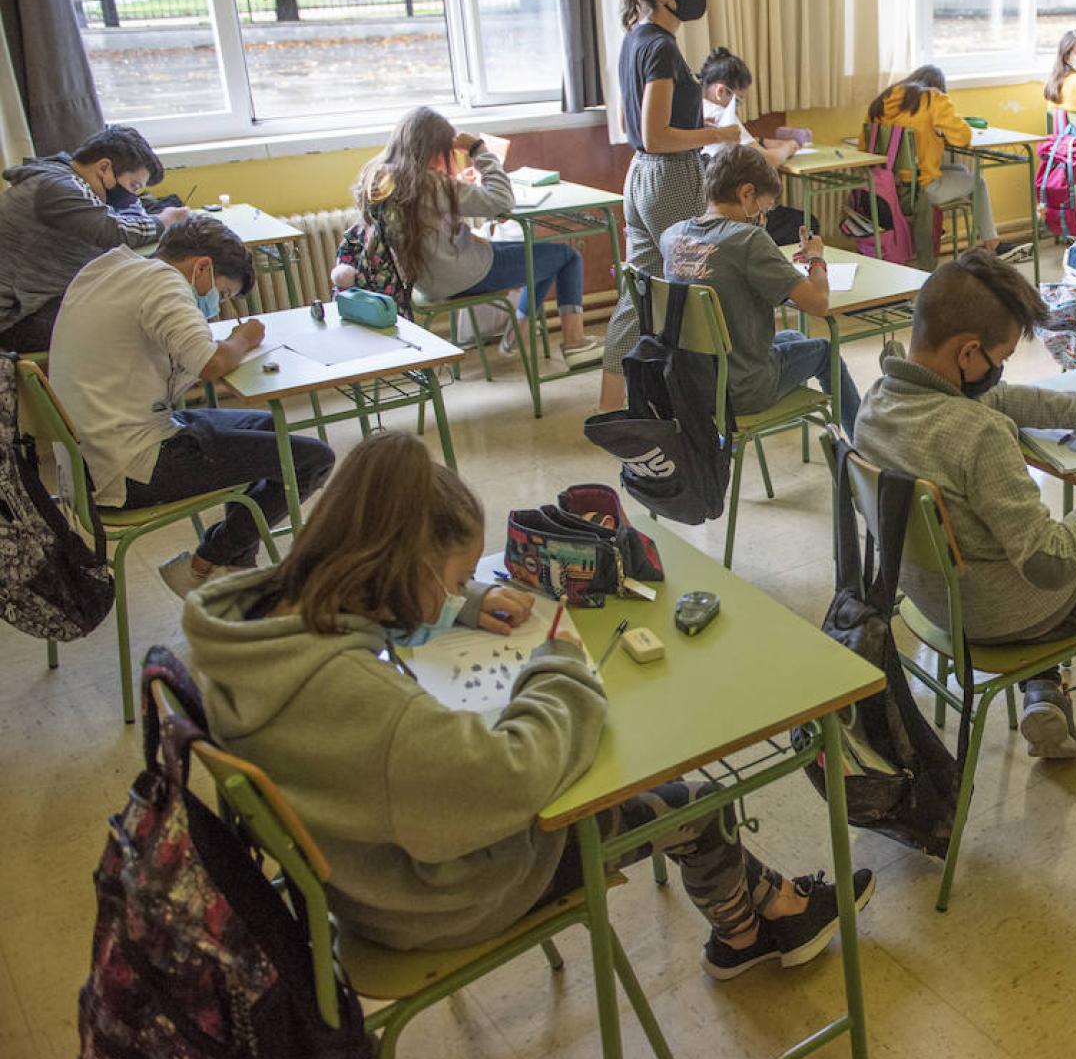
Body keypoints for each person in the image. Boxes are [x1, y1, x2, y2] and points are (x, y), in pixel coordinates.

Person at [182, 431, 872, 976]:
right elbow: (517, 774)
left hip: (366, 871)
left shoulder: (265, 620)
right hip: (439, 896)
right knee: (693, 801)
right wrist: (563, 669)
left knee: (658, 793)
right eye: (453, 580)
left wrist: (463, 604)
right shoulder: (365, 707)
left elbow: (379, 618)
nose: (457, 594)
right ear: (405, 572)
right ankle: (752, 926)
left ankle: (754, 919)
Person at [853, 250, 1076, 759]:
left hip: (936, 604)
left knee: (1008, 538)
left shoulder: (877, 405)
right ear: (969, 353)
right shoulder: (978, 435)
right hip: (1008, 613)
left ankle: (1043, 688)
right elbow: (1050, 564)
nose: (1002, 371)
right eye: (1002, 357)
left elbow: (1006, 399)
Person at [47, 216, 334, 597]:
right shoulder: (164, 282)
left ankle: (234, 566)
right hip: (129, 466)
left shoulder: (111, 265)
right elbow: (212, 364)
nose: (217, 304)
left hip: (92, 453)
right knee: (313, 459)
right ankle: (204, 564)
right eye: (223, 292)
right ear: (201, 267)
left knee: (268, 429)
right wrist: (243, 338)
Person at [340, 106, 600, 366]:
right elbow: (501, 201)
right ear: (433, 149)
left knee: (539, 256)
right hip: (464, 273)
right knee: (566, 257)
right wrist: (479, 150)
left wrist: (457, 186)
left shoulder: (380, 175)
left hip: (428, 280)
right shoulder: (429, 183)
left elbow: (427, 213)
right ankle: (575, 343)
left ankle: (516, 334)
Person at [600, 0, 741, 412]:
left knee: (639, 292)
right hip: (671, 176)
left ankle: (613, 403)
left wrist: (691, 128)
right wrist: (716, 137)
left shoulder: (634, 40)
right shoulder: (661, 47)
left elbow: (633, 129)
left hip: (640, 176)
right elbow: (657, 134)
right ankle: (691, 400)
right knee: (684, 290)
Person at [660, 146, 859, 430]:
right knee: (825, 350)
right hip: (741, 390)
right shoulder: (748, 240)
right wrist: (816, 258)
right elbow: (818, 303)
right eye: (762, 209)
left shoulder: (672, 236)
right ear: (746, 193)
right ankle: (863, 446)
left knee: (793, 335)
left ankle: (794, 415)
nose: (760, 217)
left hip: (692, 383)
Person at [0, 125, 188, 353]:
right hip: (16, 318)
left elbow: (123, 216)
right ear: (104, 168)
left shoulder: (66, 179)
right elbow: (112, 231)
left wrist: (144, 211)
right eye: (133, 186)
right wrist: (163, 221)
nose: (131, 195)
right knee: (135, 321)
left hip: (35, 304)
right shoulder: (57, 188)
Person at [866, 65, 1030, 269]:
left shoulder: (883, 100)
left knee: (961, 172)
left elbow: (867, 145)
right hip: (922, 190)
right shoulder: (933, 99)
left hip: (888, 189)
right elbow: (963, 137)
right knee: (978, 181)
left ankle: (987, 243)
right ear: (938, 87)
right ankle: (992, 243)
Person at [699, 46, 799, 168]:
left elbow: (735, 143)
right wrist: (789, 147)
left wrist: (762, 142)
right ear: (720, 91)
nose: (737, 107)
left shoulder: (697, 109)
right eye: (738, 101)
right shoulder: (720, 114)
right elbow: (768, 161)